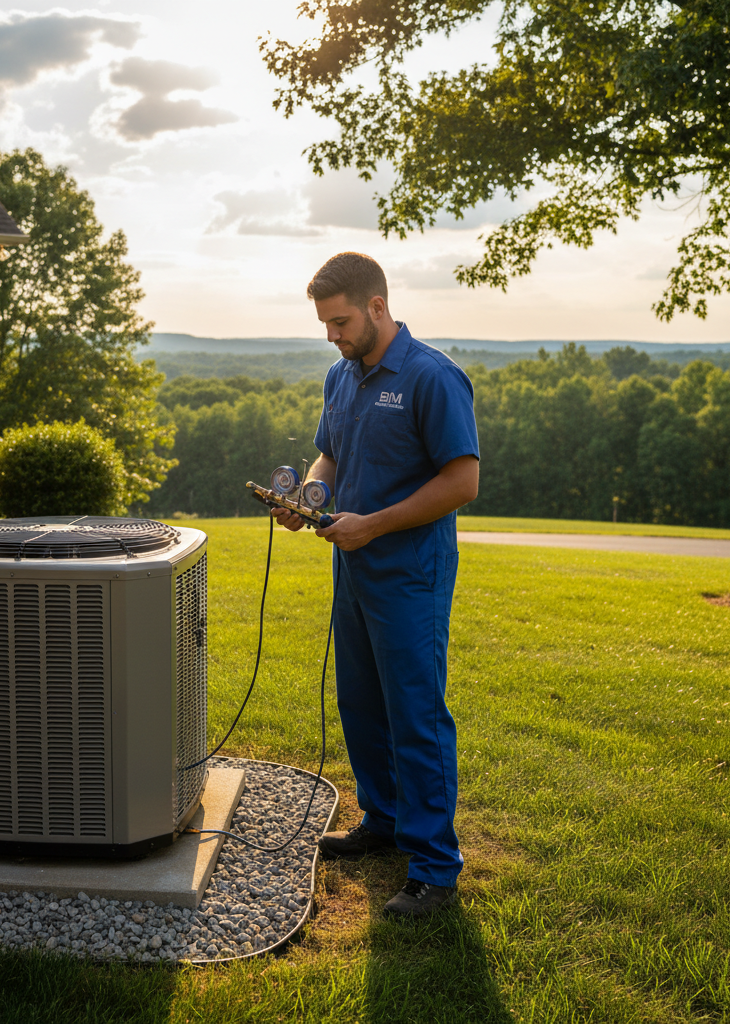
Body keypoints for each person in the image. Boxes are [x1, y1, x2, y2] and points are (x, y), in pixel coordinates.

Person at [273, 252, 480, 917]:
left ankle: (434, 870)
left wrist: (374, 526)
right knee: (360, 704)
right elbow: (329, 452)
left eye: (340, 323)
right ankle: (383, 821)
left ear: (378, 308)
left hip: (410, 574)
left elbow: (461, 481)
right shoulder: (342, 376)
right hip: (352, 569)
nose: (332, 336)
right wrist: (311, 495)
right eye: (325, 326)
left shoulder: (432, 377)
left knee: (415, 715)